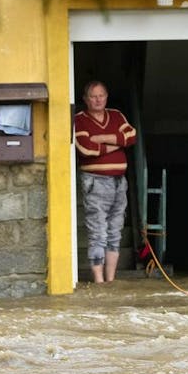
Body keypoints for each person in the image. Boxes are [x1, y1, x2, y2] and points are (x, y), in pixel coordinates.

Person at [74, 80, 137, 283]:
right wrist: (117, 143)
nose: (98, 99)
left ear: (106, 97)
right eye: (93, 96)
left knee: (115, 231)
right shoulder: (80, 120)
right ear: (85, 99)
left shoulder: (117, 115)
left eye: (101, 95)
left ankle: (110, 280)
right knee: (98, 232)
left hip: (120, 181)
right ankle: (99, 280)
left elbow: (132, 136)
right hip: (95, 181)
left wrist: (103, 138)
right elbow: (86, 148)